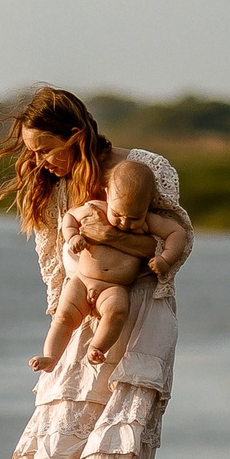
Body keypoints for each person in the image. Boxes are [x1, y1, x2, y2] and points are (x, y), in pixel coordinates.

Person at [0, 87, 192, 459]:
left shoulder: (144, 170)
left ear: (76, 137)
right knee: (66, 439)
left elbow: (175, 239)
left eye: (46, 148)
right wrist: (68, 324)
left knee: (122, 444)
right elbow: (58, 268)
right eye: (31, 151)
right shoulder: (53, 191)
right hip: (83, 318)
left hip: (143, 312)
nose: (38, 161)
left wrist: (110, 234)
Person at [31, 155, 157, 370]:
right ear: (108, 193)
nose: (125, 222)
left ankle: (97, 347)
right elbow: (70, 217)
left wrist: (165, 257)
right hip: (82, 281)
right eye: (118, 214)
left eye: (133, 218)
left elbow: (178, 233)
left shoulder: (148, 222)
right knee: (63, 316)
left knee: (117, 311)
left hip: (114, 287)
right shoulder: (95, 209)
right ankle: (51, 357)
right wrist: (72, 237)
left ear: (148, 205)